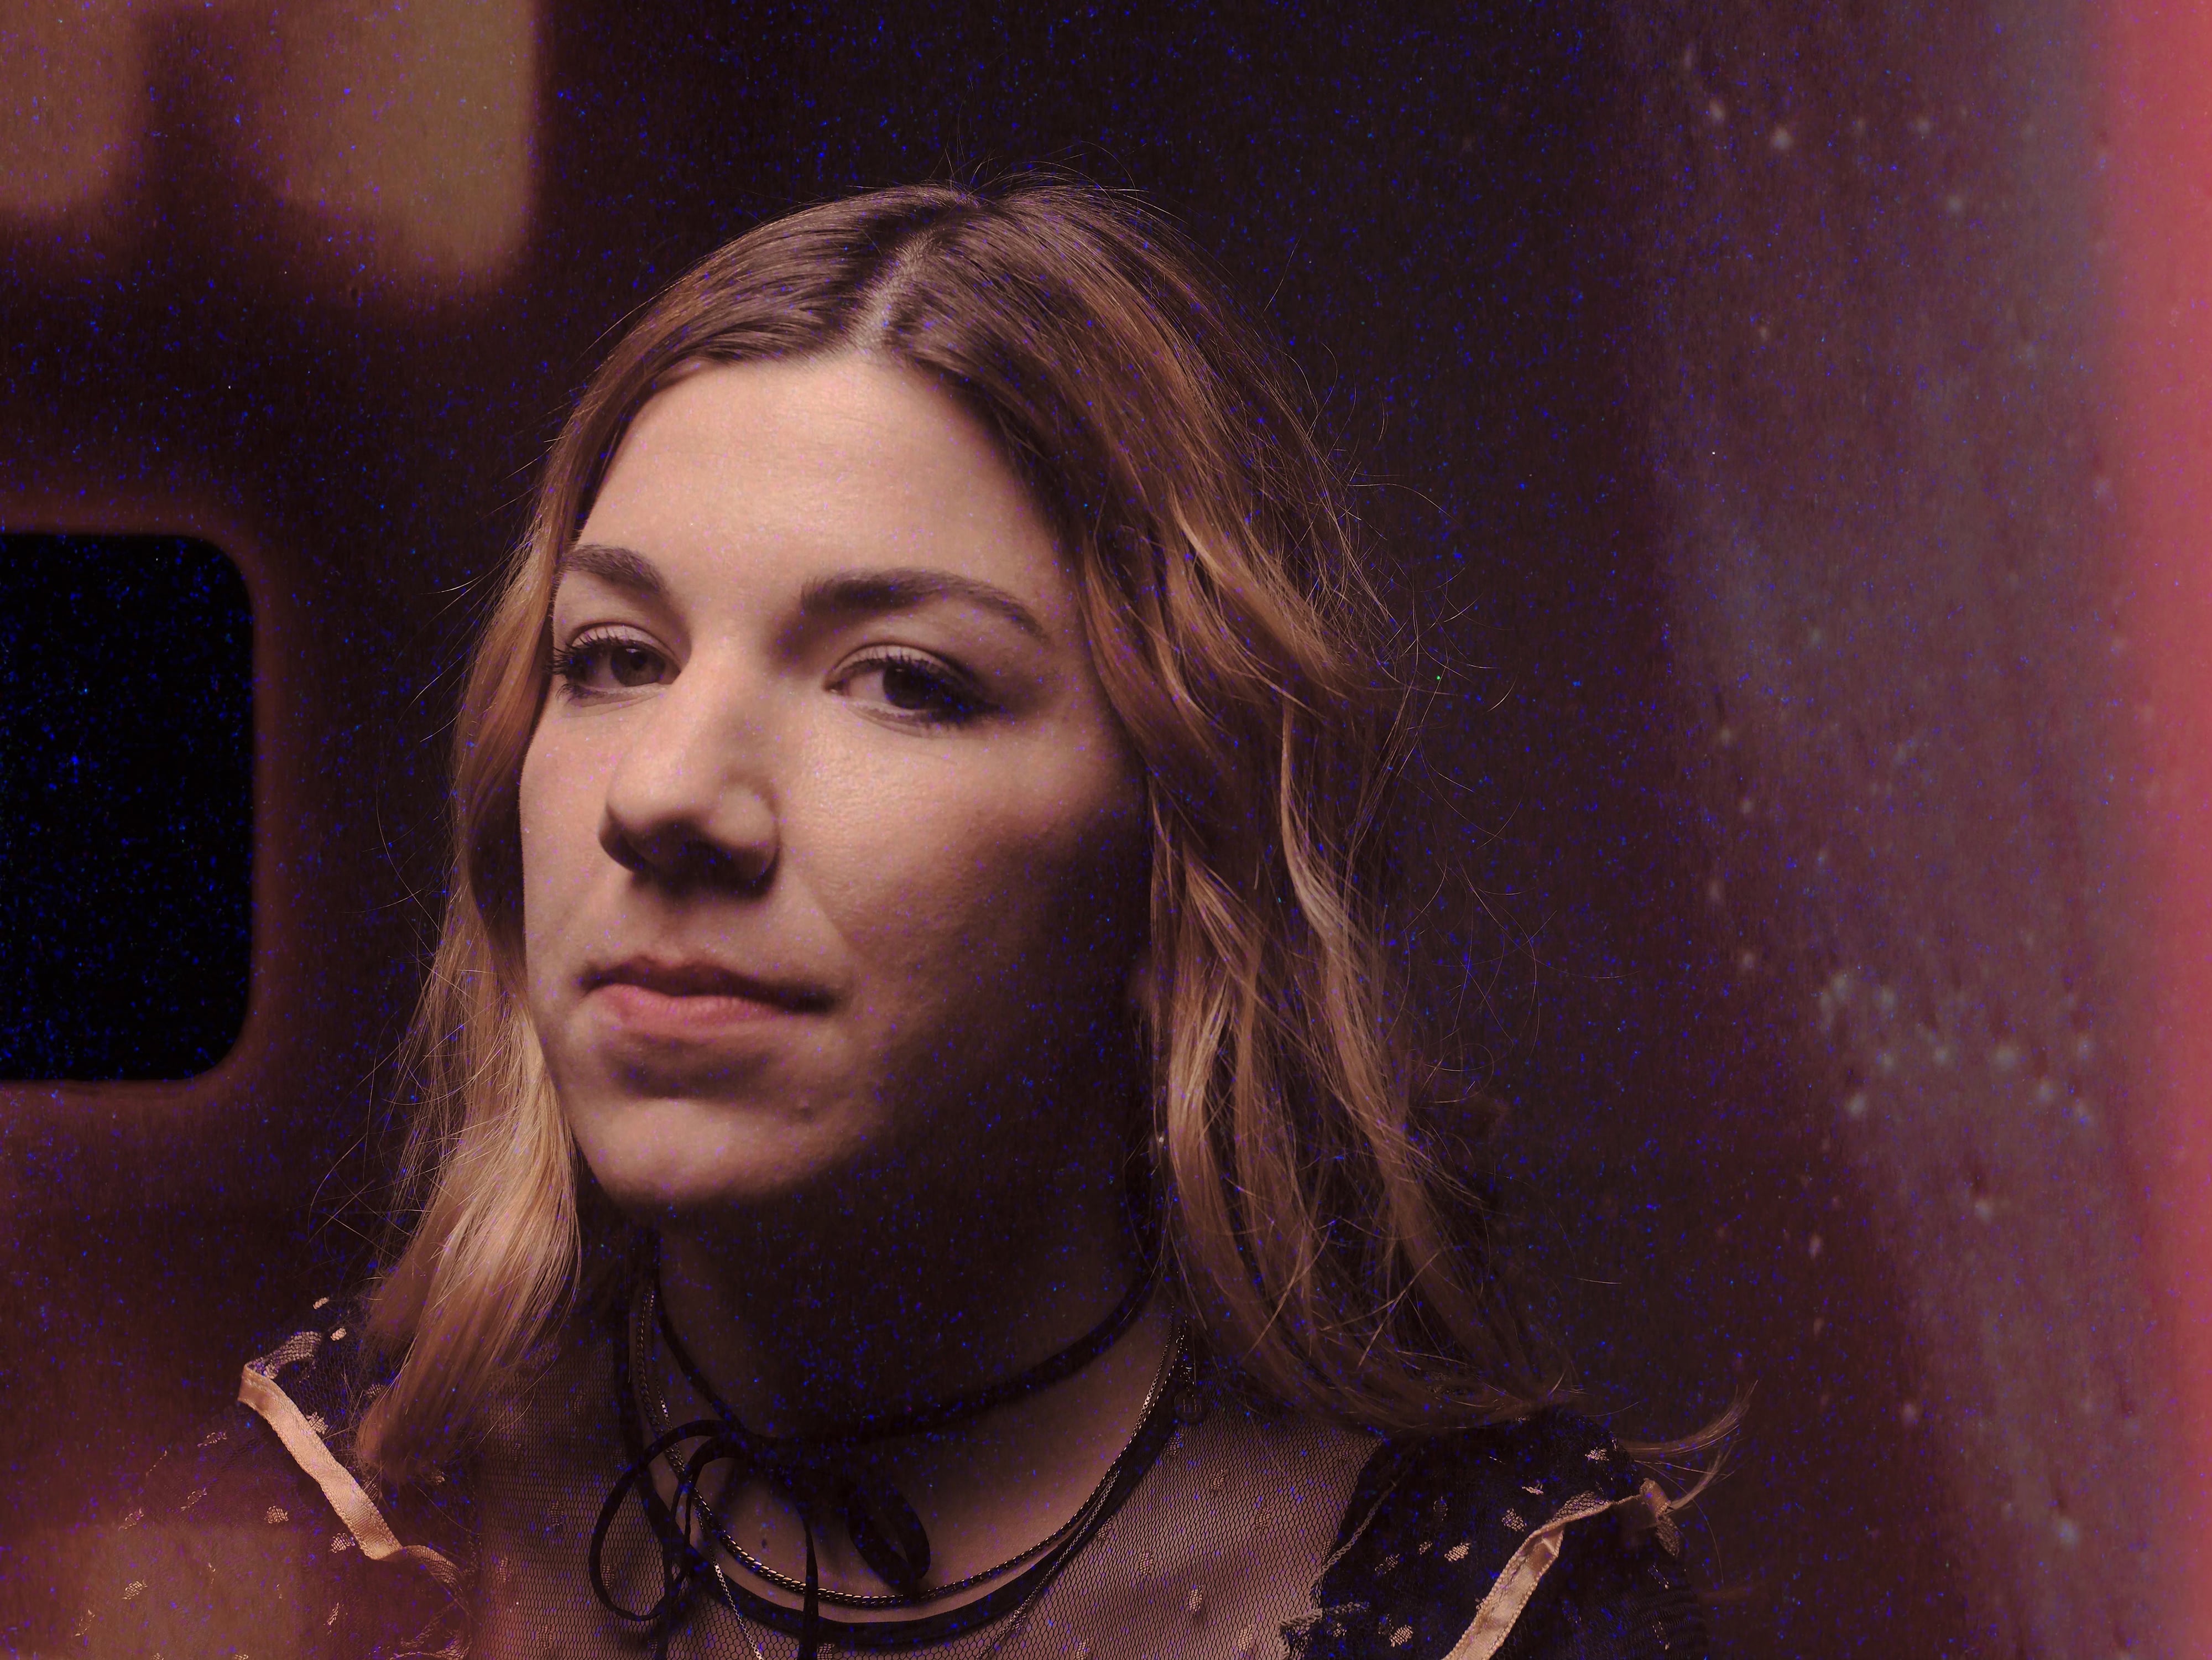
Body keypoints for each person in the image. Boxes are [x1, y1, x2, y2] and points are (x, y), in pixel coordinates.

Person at [75, 177, 1709, 1660]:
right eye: (616, 656)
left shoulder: (1483, 1611)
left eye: (905, 682)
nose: (665, 793)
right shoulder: (293, 1530)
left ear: (1182, 840)